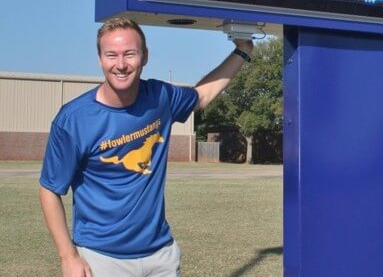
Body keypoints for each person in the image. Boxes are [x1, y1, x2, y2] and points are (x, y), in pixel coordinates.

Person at [39, 17, 254, 277]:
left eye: (130, 54)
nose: (120, 64)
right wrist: (68, 256)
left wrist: (242, 51)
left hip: (160, 257)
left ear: (145, 56)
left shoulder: (159, 97)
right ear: (100, 59)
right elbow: (50, 189)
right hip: (101, 259)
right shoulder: (73, 119)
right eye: (111, 55)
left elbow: (202, 96)